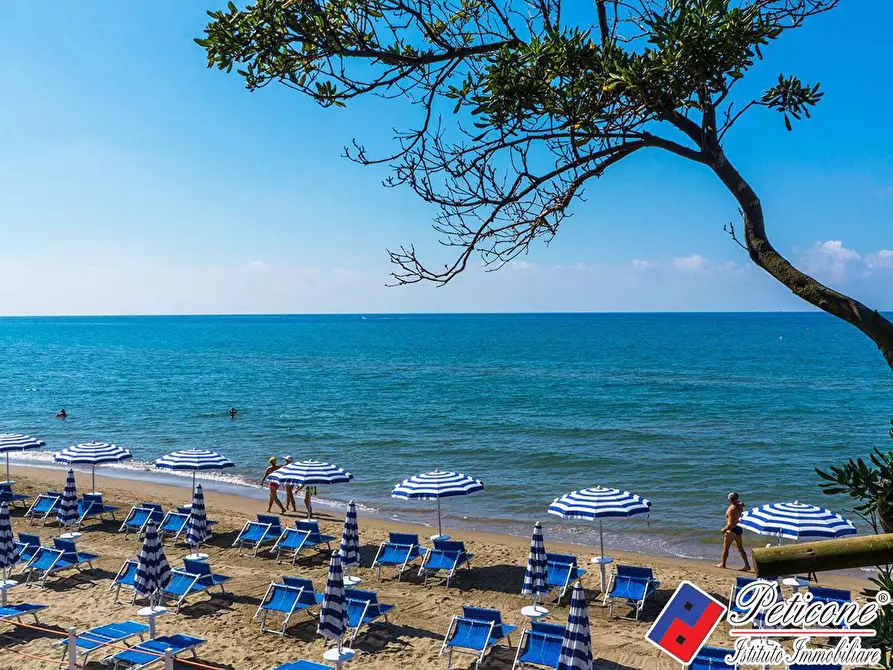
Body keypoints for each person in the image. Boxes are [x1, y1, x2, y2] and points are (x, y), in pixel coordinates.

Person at [716, 492, 751, 571]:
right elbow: (742, 505)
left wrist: (724, 530)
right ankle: (747, 565)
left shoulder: (732, 509)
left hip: (732, 530)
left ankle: (723, 564)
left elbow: (731, 524)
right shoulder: (739, 505)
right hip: (739, 528)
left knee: (725, 548)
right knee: (740, 548)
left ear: (729, 499)